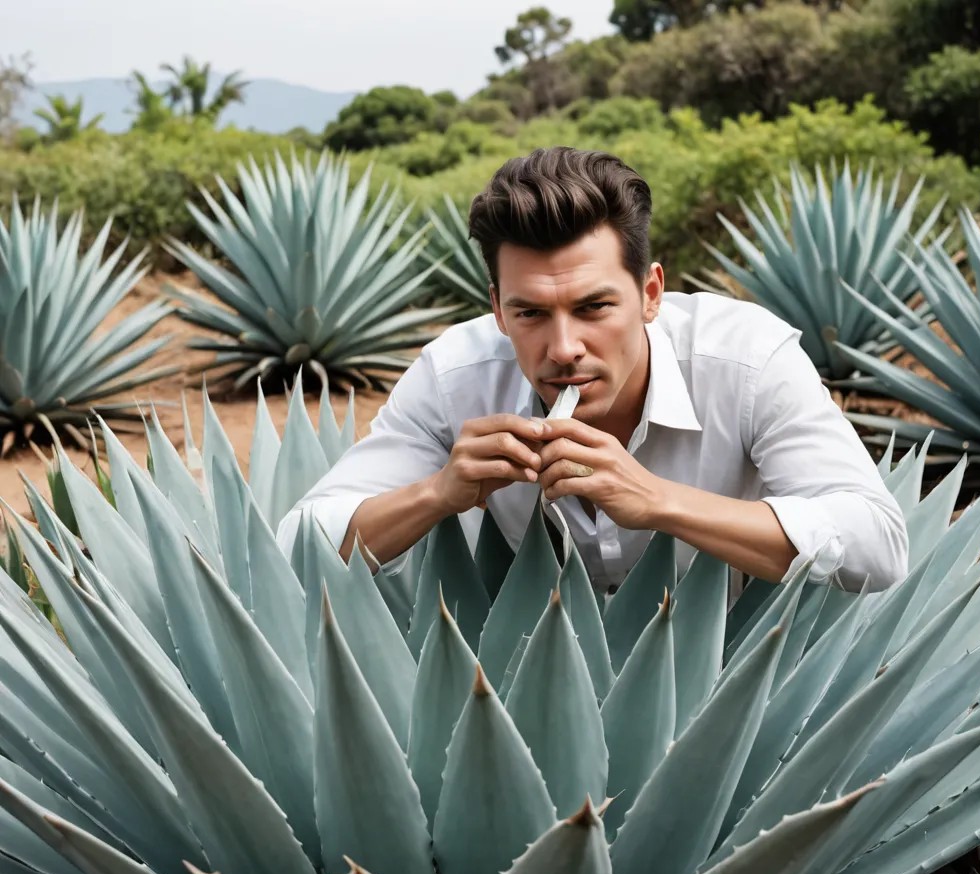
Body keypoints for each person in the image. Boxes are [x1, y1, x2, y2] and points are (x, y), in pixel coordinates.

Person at [276, 147, 908, 595]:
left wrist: (659, 501)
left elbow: (878, 544)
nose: (564, 347)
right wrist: (436, 494)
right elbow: (295, 548)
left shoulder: (746, 361)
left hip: (732, 690)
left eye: (594, 307)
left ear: (651, 293)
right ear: (496, 307)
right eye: (529, 312)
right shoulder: (454, 375)